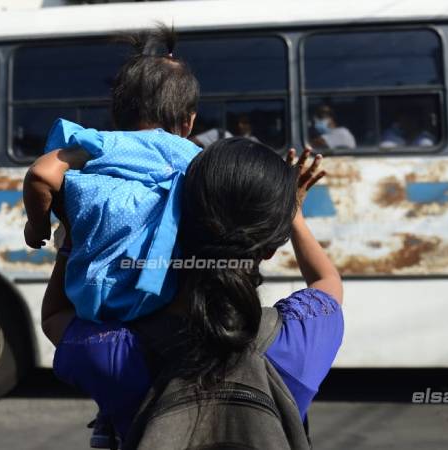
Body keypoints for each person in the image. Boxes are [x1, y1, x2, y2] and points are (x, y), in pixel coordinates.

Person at [43, 140, 344, 447]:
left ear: (177, 223)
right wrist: (293, 213)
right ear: (270, 248)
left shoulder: (116, 353)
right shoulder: (299, 340)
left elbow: (54, 317)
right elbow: (327, 280)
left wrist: (72, 239)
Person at [23, 25, 201, 447]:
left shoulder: (102, 145)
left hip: (94, 303)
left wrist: (38, 227)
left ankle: (111, 413)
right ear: (188, 120)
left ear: (117, 112)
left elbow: (41, 174)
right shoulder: (195, 158)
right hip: (163, 299)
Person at [190, 113, 259, 148]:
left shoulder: (255, 142)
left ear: (251, 125)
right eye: (237, 122)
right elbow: (191, 142)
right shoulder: (219, 134)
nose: (240, 125)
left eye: (245, 122)